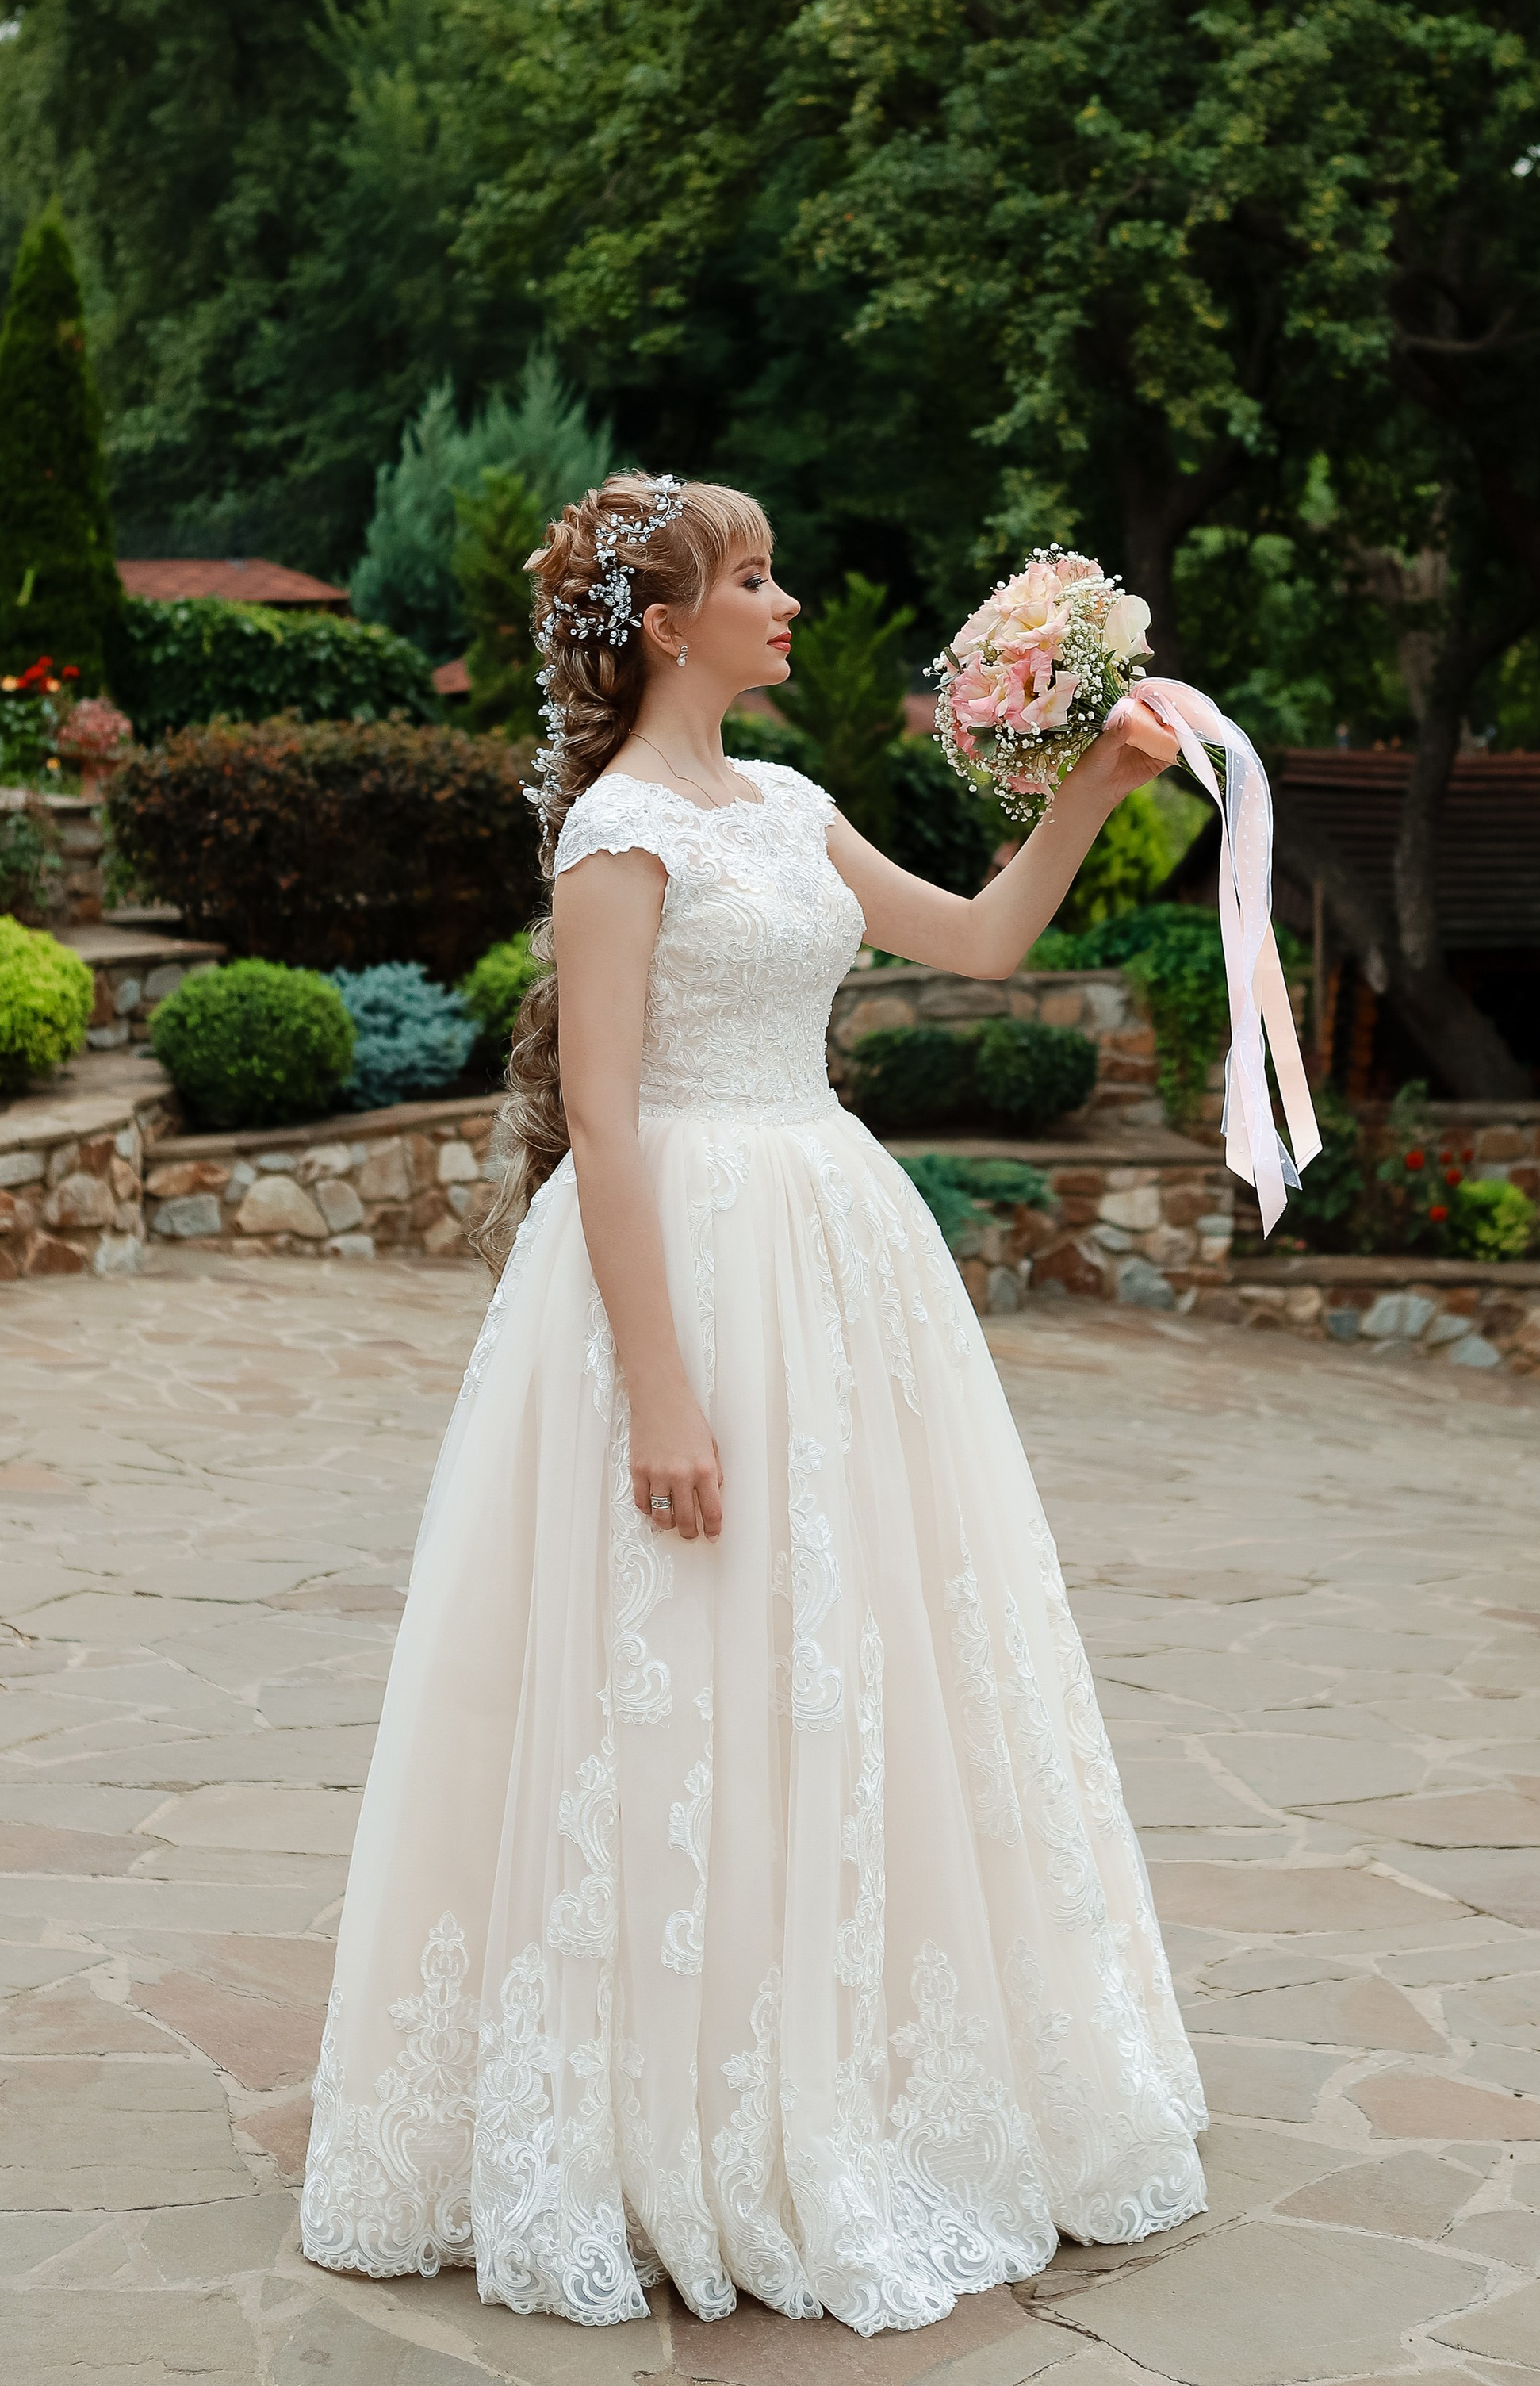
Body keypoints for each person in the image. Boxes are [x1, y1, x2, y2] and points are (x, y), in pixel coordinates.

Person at [300, 474, 1208, 2334]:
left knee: (845, 1660)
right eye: (754, 579)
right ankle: (656, 2113)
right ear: (661, 624)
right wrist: (659, 1391)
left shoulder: (787, 807)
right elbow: (610, 1122)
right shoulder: (617, 835)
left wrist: (1092, 791)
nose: (787, 605)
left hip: (832, 1259)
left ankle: (839, 2064)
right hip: (685, 1266)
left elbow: (971, 939)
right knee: (673, 1666)